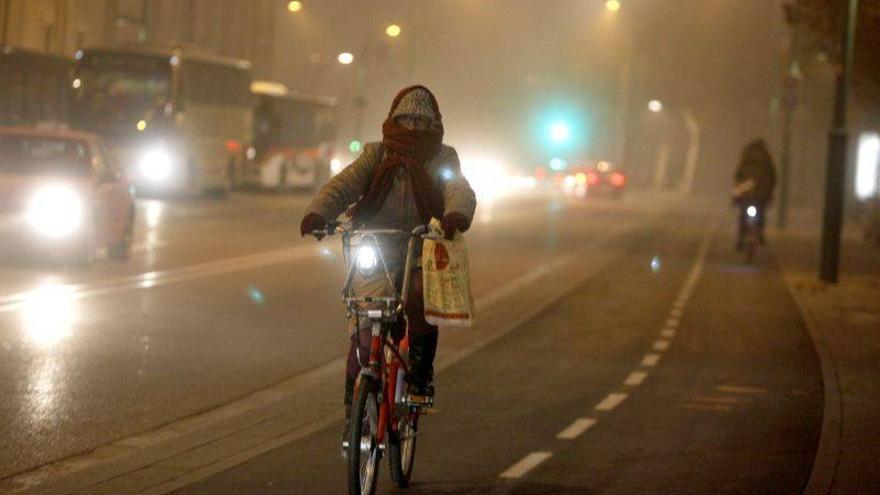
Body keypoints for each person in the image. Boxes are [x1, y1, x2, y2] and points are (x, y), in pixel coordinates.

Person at [299, 85, 476, 436]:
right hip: (376, 244)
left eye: (420, 121)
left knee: (419, 296)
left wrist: (455, 215)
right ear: (394, 119)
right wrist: (319, 212)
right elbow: (344, 184)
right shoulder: (375, 154)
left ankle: (419, 378)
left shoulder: (443, 157)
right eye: (406, 119)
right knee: (364, 329)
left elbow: (457, 188)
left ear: (433, 124)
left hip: (422, 244)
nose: (412, 127)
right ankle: (353, 411)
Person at [733, 139, 777, 250]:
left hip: (746, 192)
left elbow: (738, 175)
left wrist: (738, 191)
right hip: (761, 192)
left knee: (743, 214)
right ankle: (760, 234)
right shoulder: (766, 158)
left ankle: (740, 238)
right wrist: (770, 191)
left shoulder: (745, 158)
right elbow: (773, 177)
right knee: (761, 212)